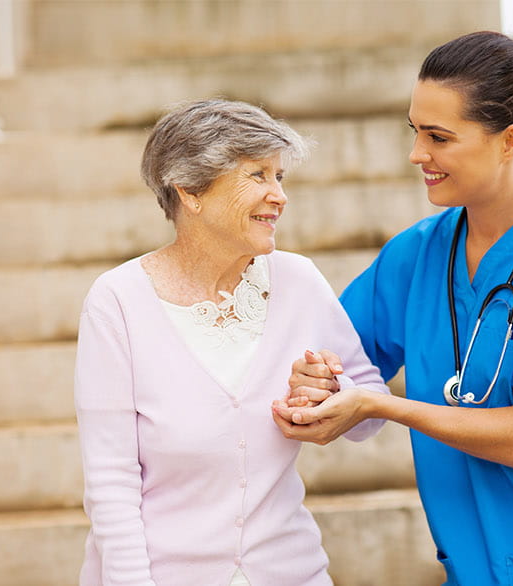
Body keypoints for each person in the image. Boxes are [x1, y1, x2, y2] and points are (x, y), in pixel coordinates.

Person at [273, 31, 513, 585]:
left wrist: (386, 407)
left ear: (510, 140)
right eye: (415, 132)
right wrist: (315, 379)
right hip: (476, 566)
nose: (417, 154)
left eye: (439, 137)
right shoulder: (414, 255)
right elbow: (338, 360)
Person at [74, 98, 390, 586]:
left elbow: (369, 411)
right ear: (191, 192)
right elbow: (111, 483)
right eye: (257, 175)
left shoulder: (298, 281)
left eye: (279, 176)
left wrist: (332, 389)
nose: (279, 195)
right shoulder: (117, 302)